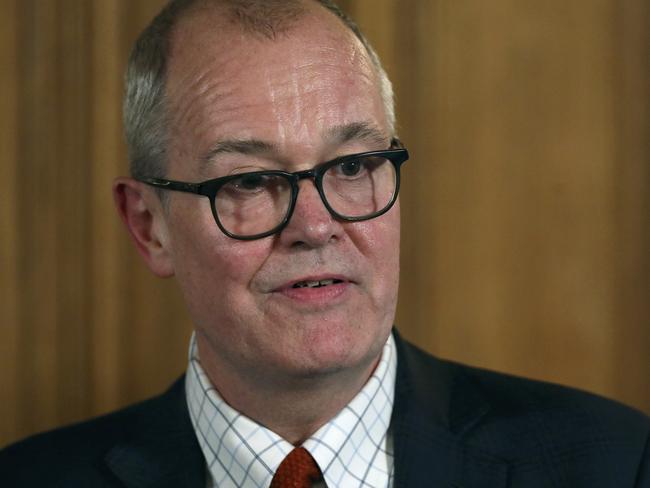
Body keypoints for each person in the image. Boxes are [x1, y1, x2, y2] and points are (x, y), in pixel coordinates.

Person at [1, 0, 648, 486]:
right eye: (252, 180)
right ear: (150, 226)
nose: (314, 226)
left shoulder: (617, 464)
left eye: (351, 167)